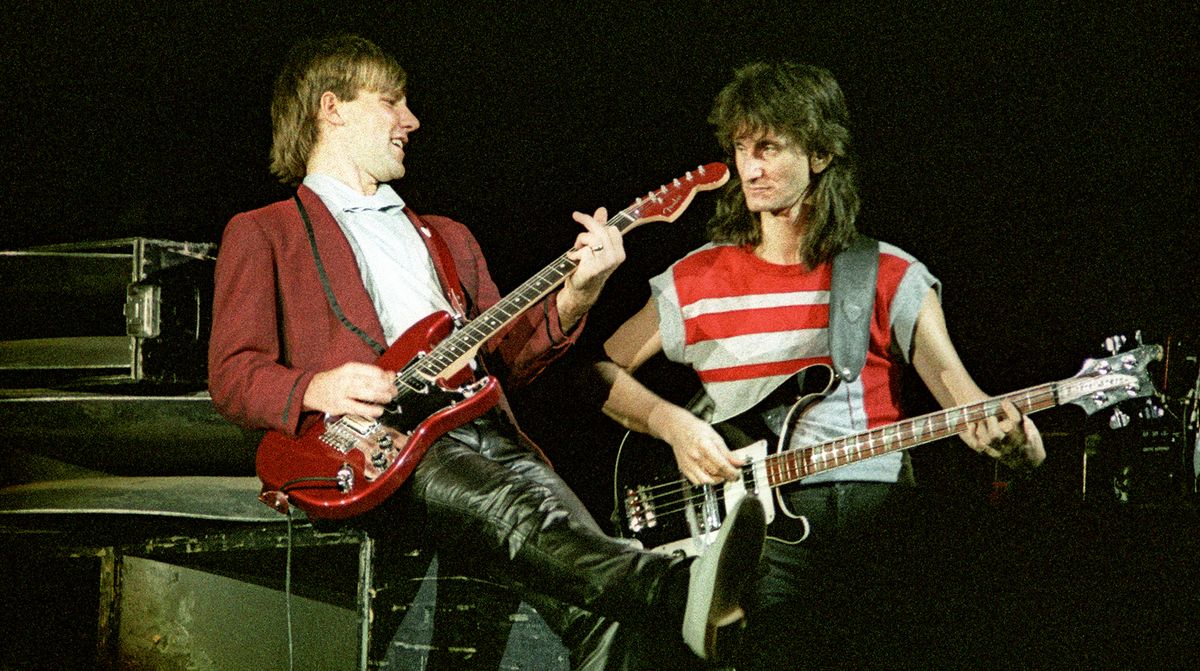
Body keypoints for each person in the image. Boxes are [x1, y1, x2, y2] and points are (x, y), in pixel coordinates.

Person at [207, 34, 765, 670]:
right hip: (370, 449)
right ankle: (675, 585)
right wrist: (317, 388)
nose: (410, 120)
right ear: (330, 109)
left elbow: (508, 362)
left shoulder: (448, 238)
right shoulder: (264, 232)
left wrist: (579, 294)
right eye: (391, 102)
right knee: (514, 513)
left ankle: (670, 597)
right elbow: (232, 375)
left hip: (483, 429)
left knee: (603, 616)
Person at [593, 61, 1046, 669]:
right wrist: (673, 424)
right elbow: (594, 371)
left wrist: (1019, 442)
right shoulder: (696, 278)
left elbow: (967, 403)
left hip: (875, 520)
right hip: (746, 529)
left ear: (823, 154)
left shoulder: (889, 273)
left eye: (770, 148)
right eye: (741, 148)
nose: (749, 168)